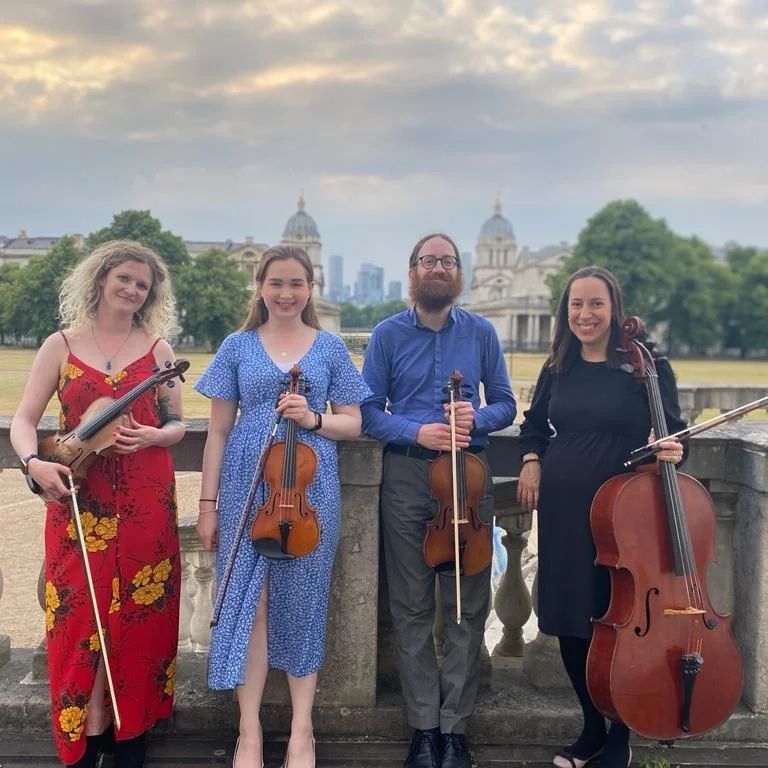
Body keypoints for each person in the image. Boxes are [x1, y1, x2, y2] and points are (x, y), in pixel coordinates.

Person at [195, 245, 371, 768]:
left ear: (310, 288)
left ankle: (302, 730)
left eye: (296, 283)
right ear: (260, 286)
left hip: (309, 492)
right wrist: (208, 506)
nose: (286, 293)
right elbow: (218, 432)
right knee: (251, 609)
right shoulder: (237, 346)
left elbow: (354, 423)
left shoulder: (331, 348)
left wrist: (313, 419)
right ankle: (247, 731)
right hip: (246, 492)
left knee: (303, 605)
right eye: (276, 283)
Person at [11, 240, 185, 768]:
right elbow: (23, 420)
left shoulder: (157, 351)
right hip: (77, 496)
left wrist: (156, 438)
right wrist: (32, 463)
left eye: (143, 284)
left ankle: (129, 736)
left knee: (140, 618)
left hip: (145, 498)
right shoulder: (59, 345)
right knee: (76, 622)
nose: (132, 290)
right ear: (101, 278)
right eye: (124, 279)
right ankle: (85, 739)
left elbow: (177, 424)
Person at [516, 266, 686, 768]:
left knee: (621, 621)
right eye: (575, 305)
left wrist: (674, 450)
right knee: (573, 622)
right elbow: (533, 427)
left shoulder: (647, 365)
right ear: (564, 312)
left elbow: (674, 436)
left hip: (626, 518)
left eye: (595, 304)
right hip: (566, 515)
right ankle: (592, 727)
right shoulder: (557, 366)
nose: (584, 314)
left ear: (615, 308)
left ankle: (620, 734)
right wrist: (530, 459)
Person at [361, 233, 517, 768]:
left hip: (468, 482)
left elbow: (505, 404)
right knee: (410, 607)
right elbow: (367, 411)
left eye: (447, 261)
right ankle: (424, 728)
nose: (438, 268)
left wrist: (479, 418)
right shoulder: (386, 334)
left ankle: (455, 730)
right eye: (429, 260)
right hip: (407, 476)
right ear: (413, 271)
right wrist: (415, 430)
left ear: (458, 273)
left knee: (467, 607)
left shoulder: (480, 332)